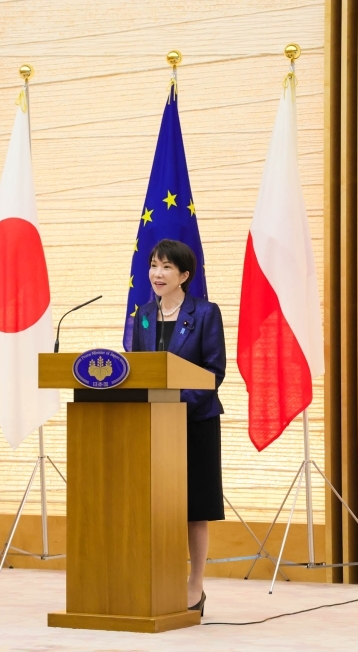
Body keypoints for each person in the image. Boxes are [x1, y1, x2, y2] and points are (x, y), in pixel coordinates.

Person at [131, 238, 226, 616]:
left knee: (194, 508)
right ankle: (156, 579)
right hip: (153, 424)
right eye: (154, 265)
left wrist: (176, 405)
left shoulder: (205, 313)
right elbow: (138, 368)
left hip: (195, 421)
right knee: (156, 505)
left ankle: (195, 584)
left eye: (167, 267)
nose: (157, 273)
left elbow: (213, 371)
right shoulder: (142, 314)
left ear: (184, 275)